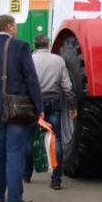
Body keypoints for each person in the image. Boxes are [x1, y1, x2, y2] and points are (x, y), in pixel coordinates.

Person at [0, 14, 43, 202]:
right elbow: (31, 78)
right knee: (15, 151)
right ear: (9, 26)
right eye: (14, 25)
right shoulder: (20, 46)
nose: (16, 28)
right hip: (16, 107)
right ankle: (14, 199)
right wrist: (38, 107)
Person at [24, 33, 76, 190]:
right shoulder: (58, 60)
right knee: (56, 139)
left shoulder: (29, 60)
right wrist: (73, 104)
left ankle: (27, 173)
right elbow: (66, 85)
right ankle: (56, 180)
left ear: (35, 44)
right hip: (54, 100)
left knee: (30, 137)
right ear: (48, 44)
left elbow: (25, 82)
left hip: (34, 102)